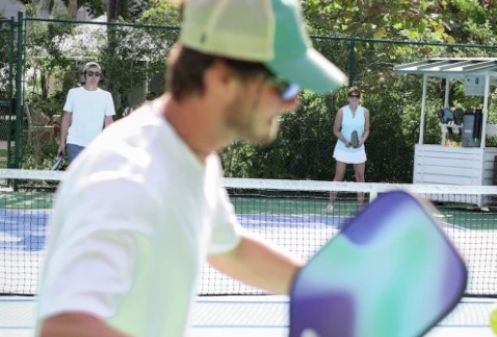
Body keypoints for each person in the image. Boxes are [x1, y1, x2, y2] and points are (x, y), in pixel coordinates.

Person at [35, 0, 347, 336]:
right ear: (221, 78)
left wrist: (322, 289)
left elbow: (231, 249)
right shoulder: (129, 175)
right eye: (284, 84)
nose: (292, 102)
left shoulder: (191, 154)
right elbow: (65, 326)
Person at [57, 61, 115, 164]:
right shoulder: (73, 93)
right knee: (76, 177)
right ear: (84, 76)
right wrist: (62, 143)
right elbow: (66, 119)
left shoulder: (106, 96)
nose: (93, 77)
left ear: (100, 77)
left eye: (97, 74)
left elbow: (109, 123)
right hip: (74, 143)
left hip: (96, 145)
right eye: (90, 73)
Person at [325, 86, 370, 213]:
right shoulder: (341, 112)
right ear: (348, 98)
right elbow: (335, 130)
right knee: (339, 176)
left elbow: (367, 130)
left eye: (357, 96)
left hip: (359, 149)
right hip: (343, 148)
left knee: (360, 177)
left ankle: (360, 208)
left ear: (359, 98)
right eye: (352, 96)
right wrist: (346, 141)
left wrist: (361, 141)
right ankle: (330, 205)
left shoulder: (365, 112)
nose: (354, 98)